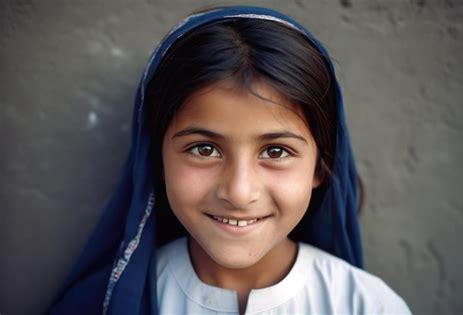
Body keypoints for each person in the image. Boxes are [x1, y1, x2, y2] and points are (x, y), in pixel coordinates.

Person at [49, 6, 411, 315]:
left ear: (320, 165)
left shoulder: (366, 305)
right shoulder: (102, 304)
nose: (239, 193)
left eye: (275, 151)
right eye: (204, 149)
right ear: (156, 159)